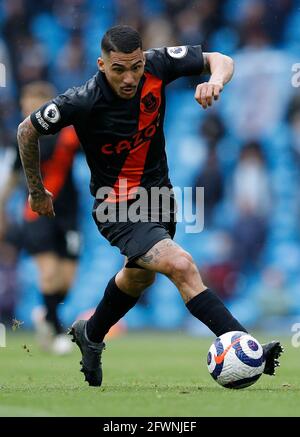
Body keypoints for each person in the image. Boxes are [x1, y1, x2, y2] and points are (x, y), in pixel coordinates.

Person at [17, 25, 283, 386]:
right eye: (118, 69)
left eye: (136, 67)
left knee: (137, 278)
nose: (129, 78)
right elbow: (26, 130)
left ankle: (90, 334)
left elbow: (222, 59)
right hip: (115, 206)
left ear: (144, 60)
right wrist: (36, 190)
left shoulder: (158, 65)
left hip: (159, 198)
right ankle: (246, 344)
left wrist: (216, 81)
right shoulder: (81, 99)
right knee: (181, 264)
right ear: (101, 64)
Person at [1, 81, 81, 354]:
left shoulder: (69, 136)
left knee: (66, 282)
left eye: (35, 102)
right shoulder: (22, 137)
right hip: (35, 213)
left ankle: (45, 314)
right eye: (26, 102)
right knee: (48, 274)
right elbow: (10, 177)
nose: (28, 107)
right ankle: (56, 330)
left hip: (69, 215)